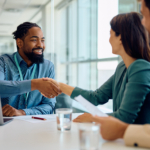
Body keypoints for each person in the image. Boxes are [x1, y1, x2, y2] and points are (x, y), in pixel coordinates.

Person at [45, 0, 150, 148]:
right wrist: (60, 86)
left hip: (138, 145)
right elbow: (96, 97)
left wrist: (91, 118)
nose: (108, 40)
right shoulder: (122, 67)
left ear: (120, 38)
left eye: (110, 34)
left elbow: (124, 118)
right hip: (123, 143)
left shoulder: (141, 67)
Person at [0, 22, 61, 117]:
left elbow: (49, 105)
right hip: (5, 125)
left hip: (35, 125)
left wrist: (22, 112)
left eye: (42, 40)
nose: (40, 45)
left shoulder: (48, 67)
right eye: (34, 40)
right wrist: (35, 84)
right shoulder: (3, 62)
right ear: (20, 43)